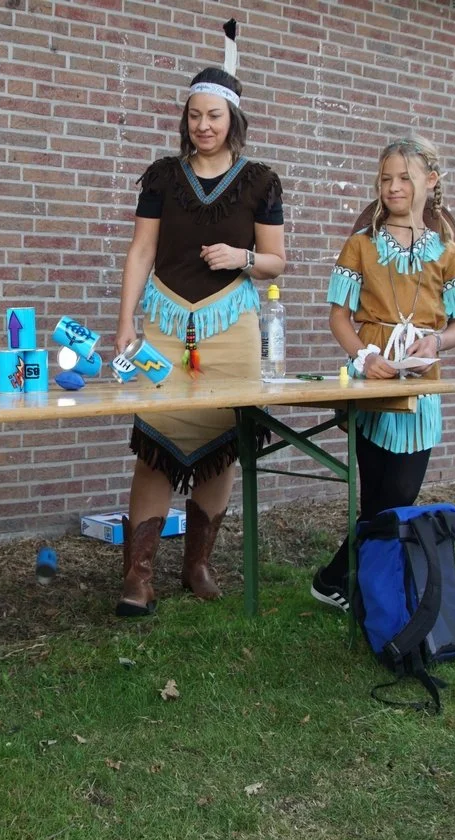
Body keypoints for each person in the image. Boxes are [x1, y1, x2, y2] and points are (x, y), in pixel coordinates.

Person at [112, 54, 286, 617]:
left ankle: (197, 565)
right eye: (194, 116)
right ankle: (138, 575)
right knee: (155, 445)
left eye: (213, 116)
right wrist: (125, 323)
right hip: (165, 324)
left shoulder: (261, 182)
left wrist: (243, 258)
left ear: (233, 119)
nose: (203, 126)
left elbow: (277, 261)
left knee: (221, 446)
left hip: (231, 325)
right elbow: (141, 250)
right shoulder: (162, 177)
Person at [310, 136, 455, 611]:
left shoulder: (448, 252)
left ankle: (340, 578)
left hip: (421, 384)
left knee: (400, 493)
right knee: (377, 495)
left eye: (405, 178)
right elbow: (339, 318)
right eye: (386, 179)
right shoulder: (361, 245)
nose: (394, 187)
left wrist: (435, 341)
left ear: (431, 181)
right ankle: (364, 588)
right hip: (372, 381)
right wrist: (363, 356)